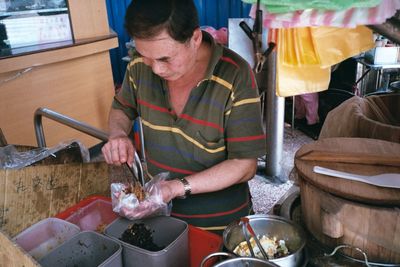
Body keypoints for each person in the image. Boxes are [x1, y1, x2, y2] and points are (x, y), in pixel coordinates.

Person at [102, 0, 266, 234]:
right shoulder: (139, 67)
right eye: (145, 56)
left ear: (195, 38)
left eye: (165, 59)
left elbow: (245, 165)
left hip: (220, 226)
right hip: (158, 217)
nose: (156, 69)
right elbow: (122, 107)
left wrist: (174, 189)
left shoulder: (235, 76)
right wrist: (118, 134)